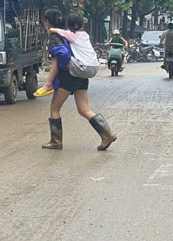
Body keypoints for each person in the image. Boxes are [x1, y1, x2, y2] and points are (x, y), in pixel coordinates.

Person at [37, 9, 117, 151]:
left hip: (69, 76)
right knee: (84, 109)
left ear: (47, 22)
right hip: (82, 75)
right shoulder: (75, 35)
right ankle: (107, 134)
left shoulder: (56, 37)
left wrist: (48, 83)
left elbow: (59, 57)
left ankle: (56, 141)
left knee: (54, 108)